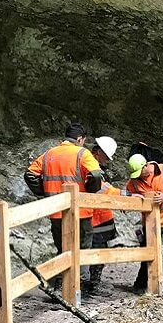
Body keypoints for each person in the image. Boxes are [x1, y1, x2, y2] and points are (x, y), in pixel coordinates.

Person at [24, 125, 117, 292]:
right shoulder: (82, 153)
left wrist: (44, 192)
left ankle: (60, 287)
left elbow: (30, 174)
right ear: (80, 139)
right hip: (81, 213)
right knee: (81, 250)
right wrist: (90, 191)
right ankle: (77, 289)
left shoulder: (49, 154)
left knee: (63, 250)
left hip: (56, 212)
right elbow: (96, 174)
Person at [123, 153, 163, 293]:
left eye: (141, 172)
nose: (139, 176)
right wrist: (132, 199)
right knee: (147, 255)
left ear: (147, 166)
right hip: (150, 223)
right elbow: (126, 194)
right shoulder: (134, 181)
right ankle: (141, 285)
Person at [83, 181, 118, 297]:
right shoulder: (91, 178)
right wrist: (128, 195)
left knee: (97, 253)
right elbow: (110, 191)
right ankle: (92, 284)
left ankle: (90, 283)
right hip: (96, 222)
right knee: (97, 253)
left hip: (97, 220)